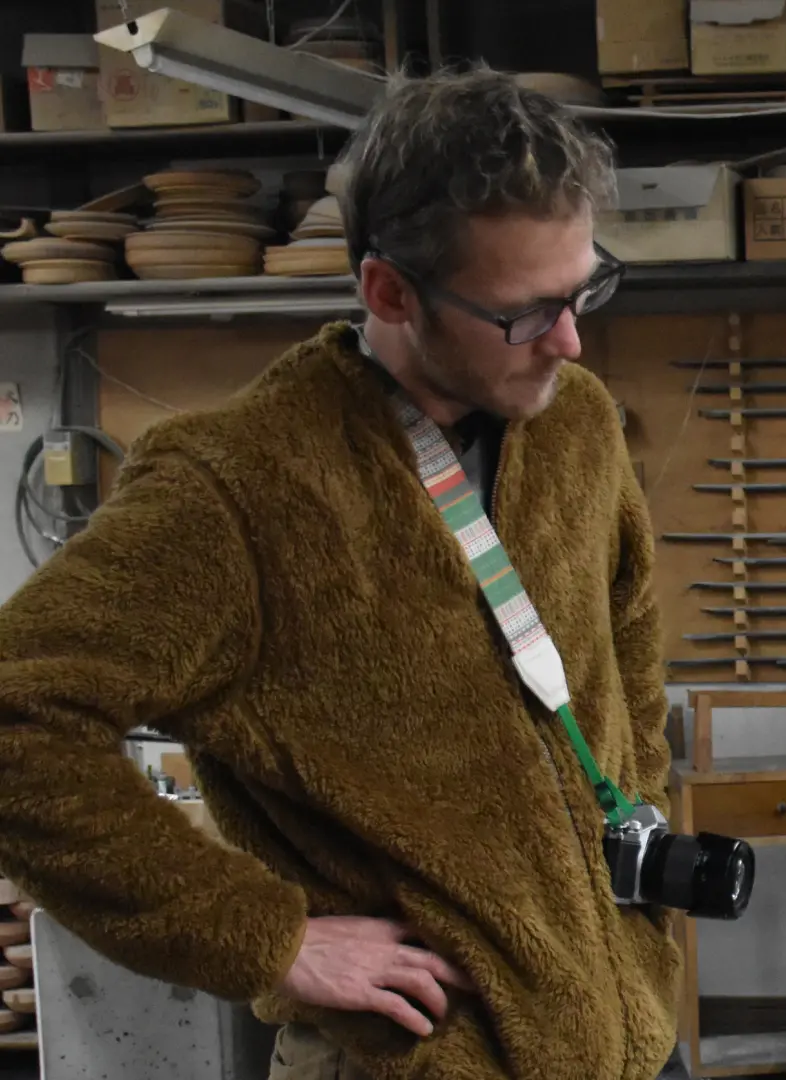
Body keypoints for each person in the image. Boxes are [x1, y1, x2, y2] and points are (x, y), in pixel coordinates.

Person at [0, 70, 679, 1079]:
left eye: (584, 291)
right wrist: (267, 936)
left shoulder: (575, 424)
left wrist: (641, 901)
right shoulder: (238, 486)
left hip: (626, 1040)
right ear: (388, 291)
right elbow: (17, 717)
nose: (571, 341)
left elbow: (627, 670)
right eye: (526, 314)